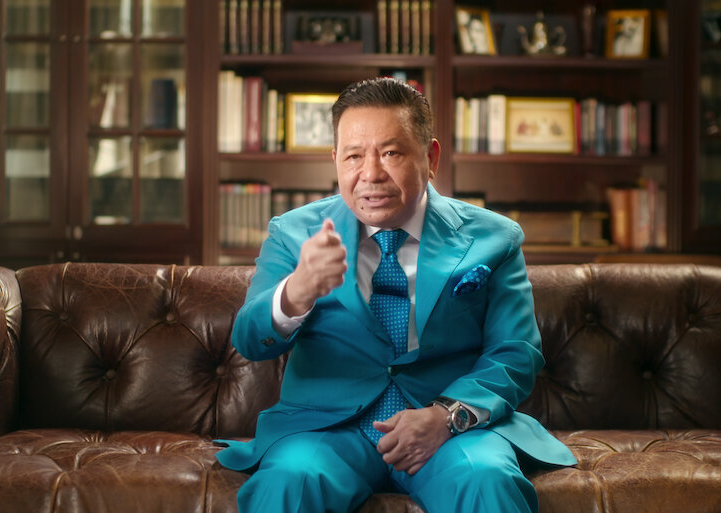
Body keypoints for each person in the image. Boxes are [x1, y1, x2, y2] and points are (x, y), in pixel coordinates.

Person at [215, 77, 576, 512]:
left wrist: (446, 417)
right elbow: (249, 340)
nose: (370, 174)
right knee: (290, 482)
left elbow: (515, 353)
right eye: (353, 156)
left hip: (448, 430)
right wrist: (296, 292)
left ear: (431, 158)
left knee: (486, 479)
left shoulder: (494, 238)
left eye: (391, 153)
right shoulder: (292, 234)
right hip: (326, 431)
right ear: (335, 160)